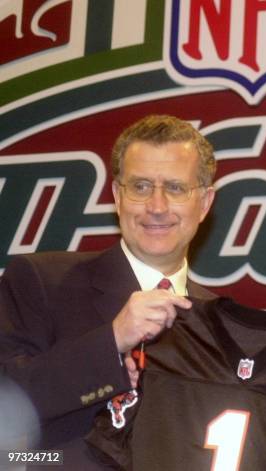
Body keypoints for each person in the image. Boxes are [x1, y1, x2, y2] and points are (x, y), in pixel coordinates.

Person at [0, 115, 217, 469]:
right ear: (118, 196)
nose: (157, 207)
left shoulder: (219, 320)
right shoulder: (41, 281)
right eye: (141, 187)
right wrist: (111, 341)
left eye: (176, 188)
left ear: (205, 203)